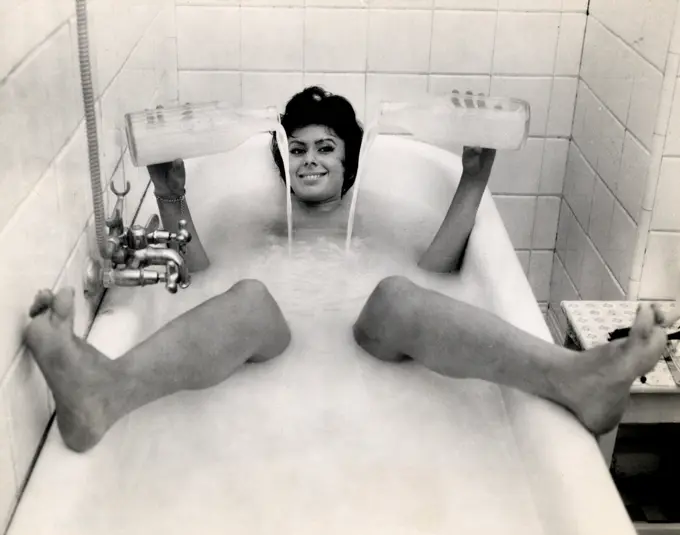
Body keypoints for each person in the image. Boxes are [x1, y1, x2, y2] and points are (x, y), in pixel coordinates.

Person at [24, 87, 673, 453]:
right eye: (299, 148)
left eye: (326, 148)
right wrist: (170, 195)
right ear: (283, 159)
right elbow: (197, 278)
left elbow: (439, 273)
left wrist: (473, 178)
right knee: (249, 297)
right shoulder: (257, 224)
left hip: (368, 338)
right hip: (273, 342)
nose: (310, 159)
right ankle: (107, 389)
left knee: (397, 294)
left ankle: (575, 377)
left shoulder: (379, 223)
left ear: (349, 163)